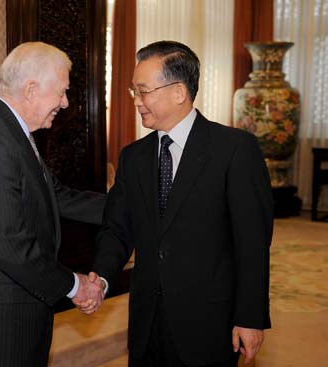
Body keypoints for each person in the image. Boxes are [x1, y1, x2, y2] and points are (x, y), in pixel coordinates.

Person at [92, 41, 273, 367]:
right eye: (134, 91)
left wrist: (250, 317)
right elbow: (117, 230)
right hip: (146, 323)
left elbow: (253, 243)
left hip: (208, 323)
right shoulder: (133, 157)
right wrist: (101, 279)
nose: (136, 101)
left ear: (178, 92)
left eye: (143, 91)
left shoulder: (233, 149)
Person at [0, 42, 106, 367]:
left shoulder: (11, 133)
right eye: (61, 92)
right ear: (31, 89)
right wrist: (75, 286)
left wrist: (127, 207)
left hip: (15, 322)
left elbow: (55, 195)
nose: (65, 102)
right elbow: (9, 247)